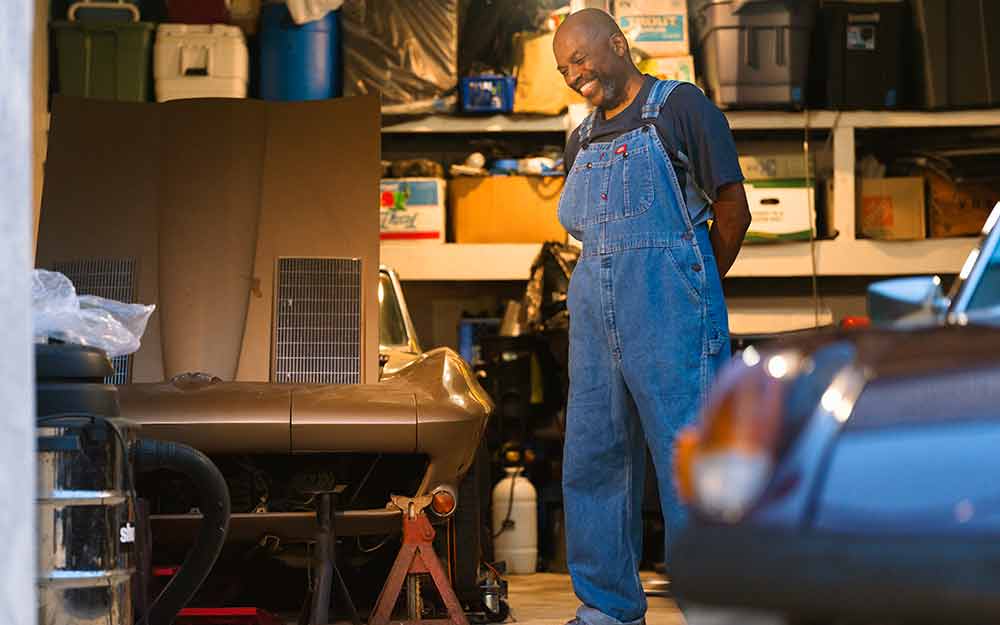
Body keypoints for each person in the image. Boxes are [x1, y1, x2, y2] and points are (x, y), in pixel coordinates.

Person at [552, 9, 751, 625]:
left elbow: (733, 208)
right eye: (563, 70)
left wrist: (693, 287)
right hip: (594, 323)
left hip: (670, 312)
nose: (573, 75)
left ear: (617, 43)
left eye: (579, 59)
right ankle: (607, 609)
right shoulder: (579, 140)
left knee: (689, 461)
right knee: (593, 461)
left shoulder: (680, 108)